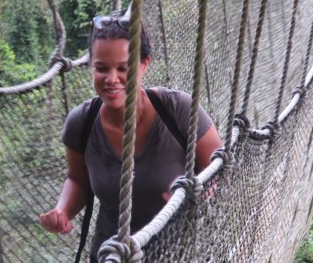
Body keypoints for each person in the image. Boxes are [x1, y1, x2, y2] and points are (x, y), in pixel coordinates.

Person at [40, 15, 223, 262]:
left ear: (144, 64)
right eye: (101, 68)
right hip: (112, 255)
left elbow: (218, 170)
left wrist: (198, 193)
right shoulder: (81, 123)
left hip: (176, 253)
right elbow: (78, 179)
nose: (111, 79)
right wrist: (62, 211)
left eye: (124, 68)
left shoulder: (178, 110)